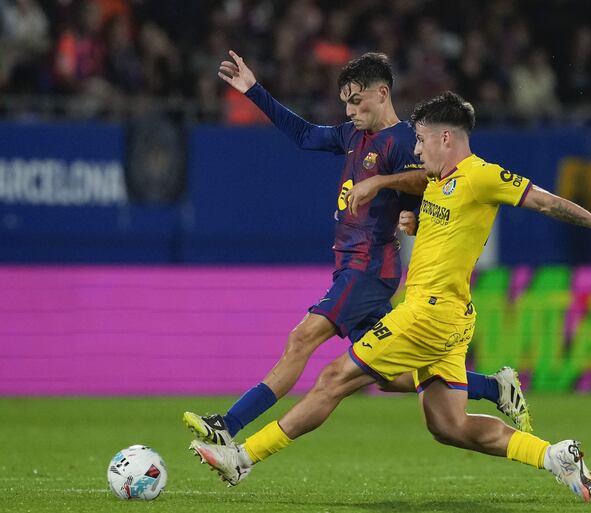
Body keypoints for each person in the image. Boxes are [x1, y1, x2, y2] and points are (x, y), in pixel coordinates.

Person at [189, 91, 591, 502]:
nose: (418, 150)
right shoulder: (439, 182)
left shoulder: (480, 175)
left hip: (428, 314)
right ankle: (554, 456)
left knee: (333, 378)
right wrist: (412, 218)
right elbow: (443, 223)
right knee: (449, 426)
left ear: (447, 138)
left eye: (422, 140)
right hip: (450, 318)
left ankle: (242, 457)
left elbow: (545, 200)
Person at [183, 52, 533, 447]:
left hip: (368, 268)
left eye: (356, 100)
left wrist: (391, 193)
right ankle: (494, 387)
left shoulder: (405, 140)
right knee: (387, 375)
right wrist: (253, 90)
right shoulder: (352, 135)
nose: (349, 110)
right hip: (352, 266)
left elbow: (430, 181)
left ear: (382, 94)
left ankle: (228, 426)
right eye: (345, 103)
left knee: (302, 339)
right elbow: (305, 135)